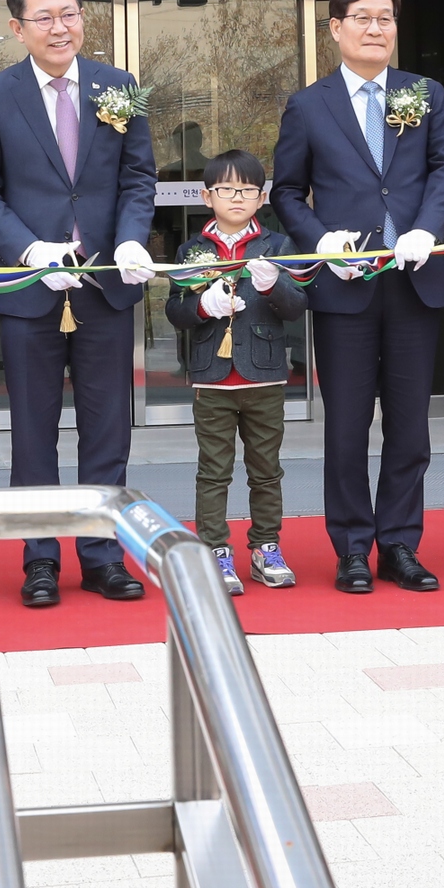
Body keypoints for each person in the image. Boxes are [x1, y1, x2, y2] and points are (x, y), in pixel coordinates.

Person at [0, 0, 158, 608]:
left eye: (69, 13)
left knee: (108, 431)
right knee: (32, 432)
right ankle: (39, 557)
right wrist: (30, 249)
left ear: (83, 18)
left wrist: (130, 238)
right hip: (31, 289)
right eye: (43, 17)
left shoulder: (118, 86)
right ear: (18, 28)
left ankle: (102, 555)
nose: (59, 27)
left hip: (104, 286)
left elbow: (138, 178)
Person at [272, 0, 444, 594]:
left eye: (386, 18)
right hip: (344, 288)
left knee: (410, 426)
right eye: (362, 17)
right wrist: (321, 240)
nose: (376, 28)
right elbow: (286, 192)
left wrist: (427, 228)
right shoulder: (309, 105)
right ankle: (352, 547)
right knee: (347, 427)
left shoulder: (425, 93)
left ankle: (400, 544)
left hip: (414, 280)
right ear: (336, 28)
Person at [165, 150, 307, 596]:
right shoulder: (192, 250)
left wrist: (274, 286)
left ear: (262, 197)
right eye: (226, 189)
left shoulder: (278, 245)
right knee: (213, 471)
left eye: (248, 190)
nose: (237, 197)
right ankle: (215, 550)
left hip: (264, 375)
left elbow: (297, 306)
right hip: (212, 377)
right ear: (207, 196)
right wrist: (202, 306)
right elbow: (175, 311)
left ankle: (266, 547)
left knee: (267, 470)